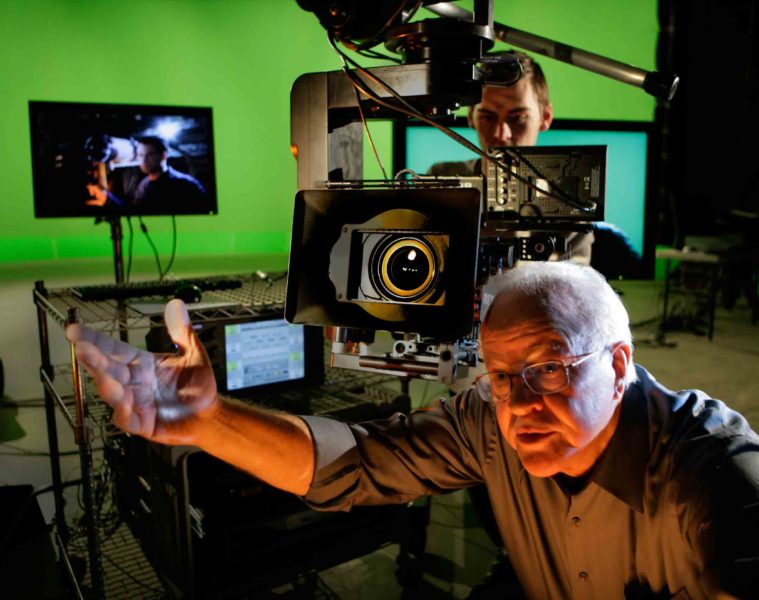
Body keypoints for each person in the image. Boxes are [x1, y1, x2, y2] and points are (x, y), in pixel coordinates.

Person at [66, 261, 759, 598]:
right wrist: (210, 421)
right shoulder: (489, 418)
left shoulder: (718, 476)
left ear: (619, 362)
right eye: (499, 374)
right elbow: (361, 461)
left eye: (548, 367)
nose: (517, 404)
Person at [429, 50, 643, 277]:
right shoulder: (441, 180)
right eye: (488, 117)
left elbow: (571, 290)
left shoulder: (569, 199)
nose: (501, 134)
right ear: (471, 116)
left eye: (517, 118)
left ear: (545, 117)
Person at [131, 136, 208, 213]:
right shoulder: (143, 185)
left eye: (150, 154)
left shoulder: (185, 184)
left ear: (163, 156)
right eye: (140, 155)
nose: (144, 160)